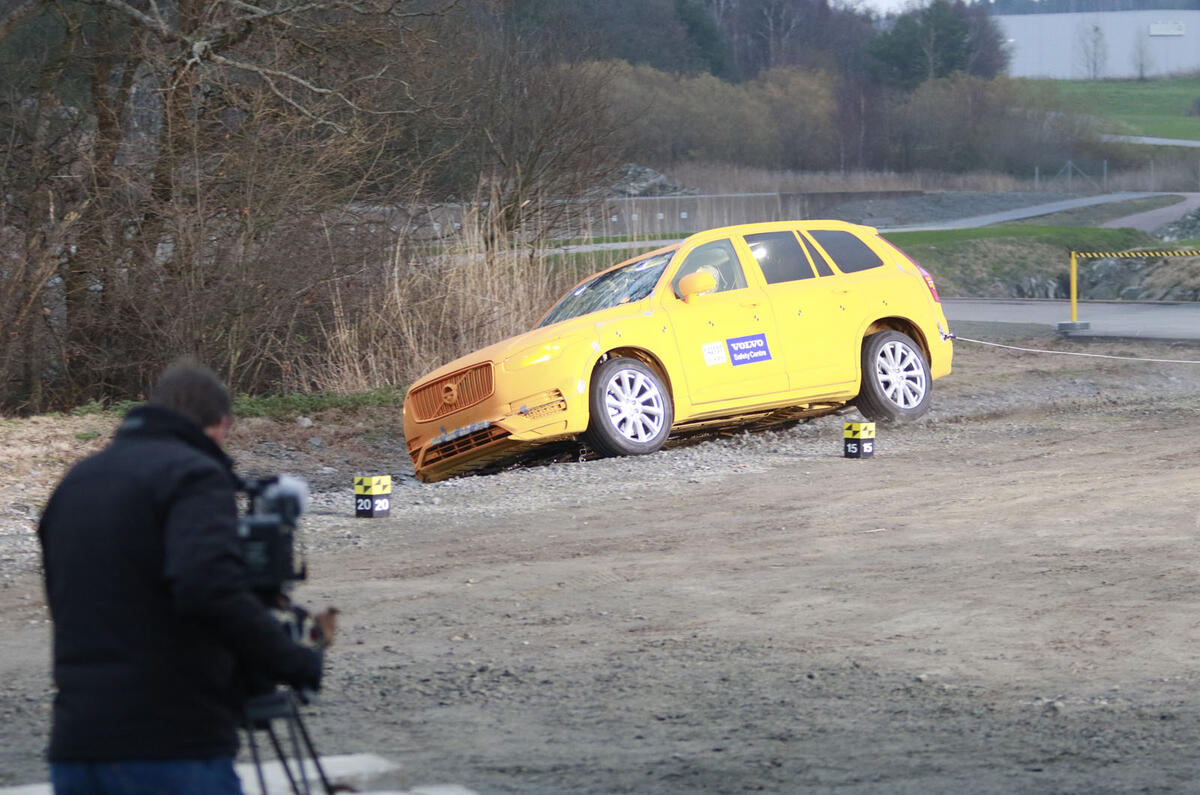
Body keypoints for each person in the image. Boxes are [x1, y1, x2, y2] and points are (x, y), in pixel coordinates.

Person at [38, 360, 338, 794]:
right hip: (170, 743)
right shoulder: (194, 475)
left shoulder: (76, 482)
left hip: (77, 747)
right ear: (219, 426)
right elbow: (208, 589)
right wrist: (291, 661)